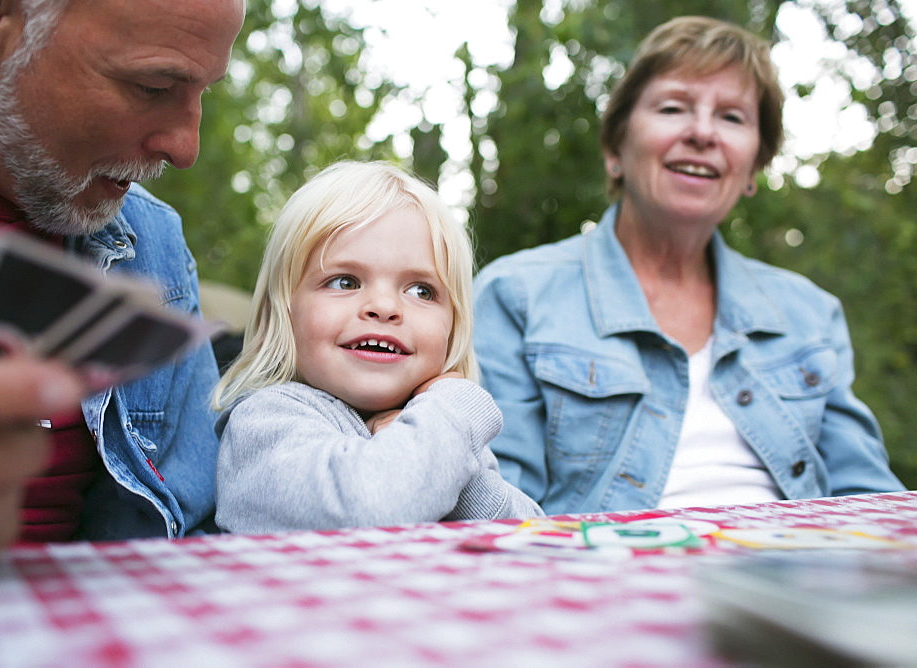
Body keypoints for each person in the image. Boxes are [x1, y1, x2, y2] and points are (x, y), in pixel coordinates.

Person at [473, 16, 905, 515]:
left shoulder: (810, 312)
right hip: (602, 577)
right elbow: (499, 511)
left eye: (732, 117)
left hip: (796, 581)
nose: (702, 132)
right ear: (616, 149)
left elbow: (872, 500)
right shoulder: (514, 296)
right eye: (673, 107)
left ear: (753, 168)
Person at [0, 0, 245, 576]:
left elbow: (190, 529)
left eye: (204, 92)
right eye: (152, 86)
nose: (185, 148)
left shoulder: (153, 244)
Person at [213, 161, 543, 533]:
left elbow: (528, 534)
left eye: (421, 290)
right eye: (345, 282)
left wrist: (458, 469)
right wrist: (455, 401)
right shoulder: (264, 423)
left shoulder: (438, 426)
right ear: (283, 312)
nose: (384, 307)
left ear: (453, 329)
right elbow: (371, 507)